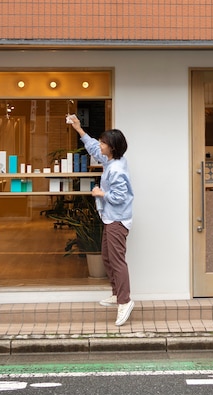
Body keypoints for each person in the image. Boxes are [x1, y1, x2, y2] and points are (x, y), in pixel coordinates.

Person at [67, 114, 135, 326]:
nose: (100, 144)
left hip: (117, 220)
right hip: (110, 219)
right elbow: (94, 149)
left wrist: (100, 194)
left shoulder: (116, 170)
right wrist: (79, 129)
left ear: (112, 148)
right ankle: (117, 294)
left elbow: (120, 197)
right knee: (107, 257)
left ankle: (125, 301)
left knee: (116, 261)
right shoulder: (114, 159)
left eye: (103, 142)